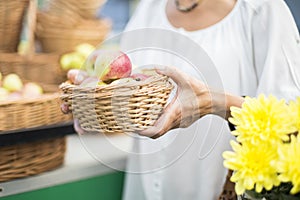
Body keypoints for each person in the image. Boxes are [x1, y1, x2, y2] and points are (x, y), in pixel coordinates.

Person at [62, 0, 300, 199]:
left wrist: (214, 103)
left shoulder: (262, 9)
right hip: (144, 190)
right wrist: (96, 97)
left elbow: (290, 124)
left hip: (224, 191)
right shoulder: (150, 8)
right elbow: (131, 87)